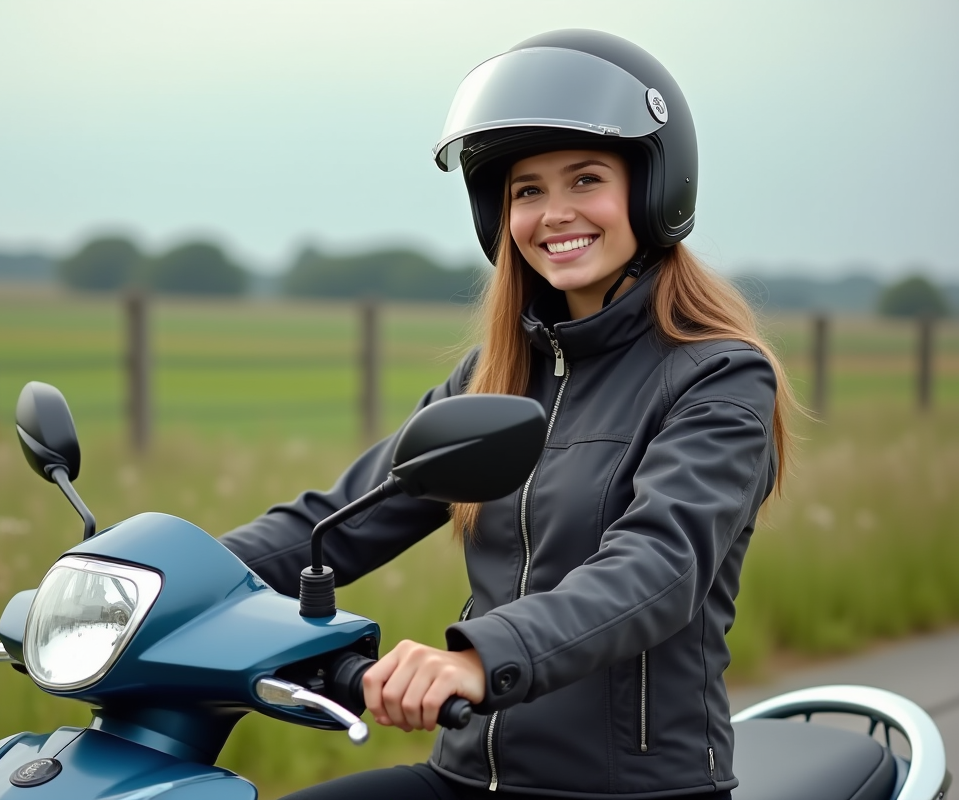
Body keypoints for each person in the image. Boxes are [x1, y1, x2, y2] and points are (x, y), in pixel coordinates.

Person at [219, 29, 798, 800]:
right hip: (470, 773)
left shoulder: (718, 377)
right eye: (528, 190)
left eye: (585, 179)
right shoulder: (495, 378)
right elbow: (344, 517)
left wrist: (477, 658)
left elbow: (658, 569)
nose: (554, 214)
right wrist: (163, 579)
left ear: (655, 189)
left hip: (631, 789)